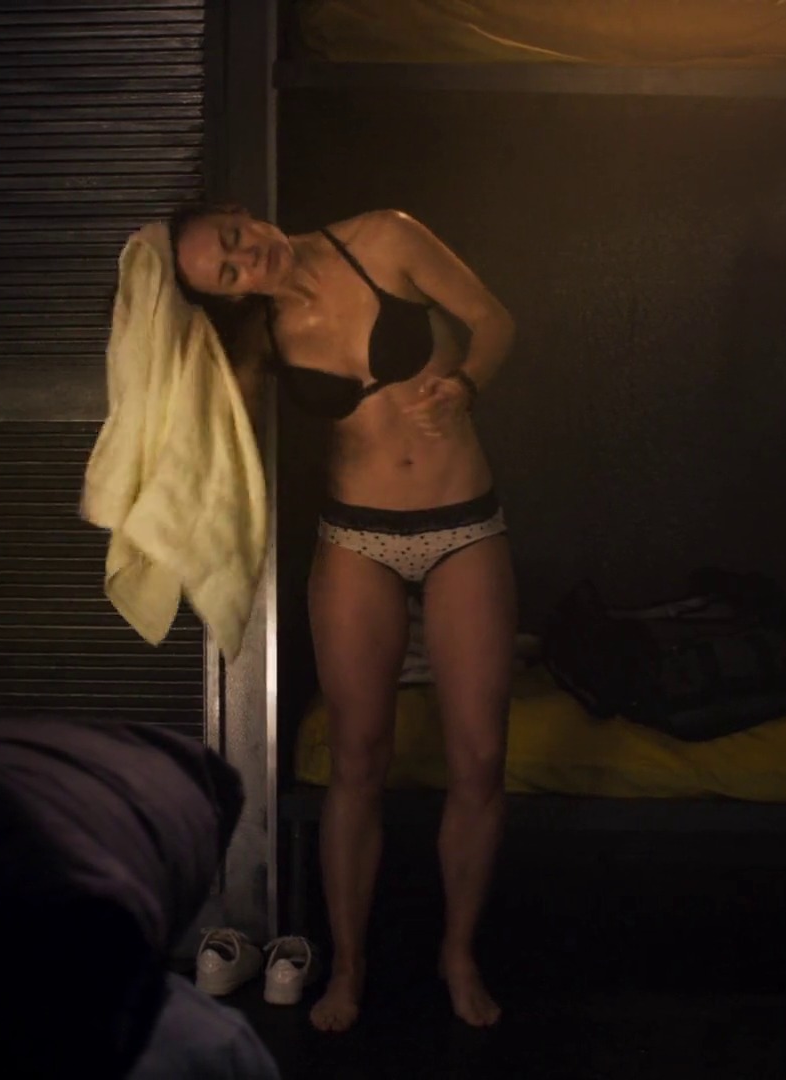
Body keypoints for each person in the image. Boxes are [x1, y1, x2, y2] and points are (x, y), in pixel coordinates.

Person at [169, 203, 518, 1031]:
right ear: (228, 293)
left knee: (480, 759)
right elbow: (217, 435)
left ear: (244, 217)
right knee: (356, 758)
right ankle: (349, 967)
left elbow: (494, 320)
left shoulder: (384, 238)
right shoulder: (261, 336)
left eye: (234, 238)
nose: (246, 260)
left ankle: (458, 954)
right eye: (227, 272)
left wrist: (466, 384)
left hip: (464, 526)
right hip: (358, 539)